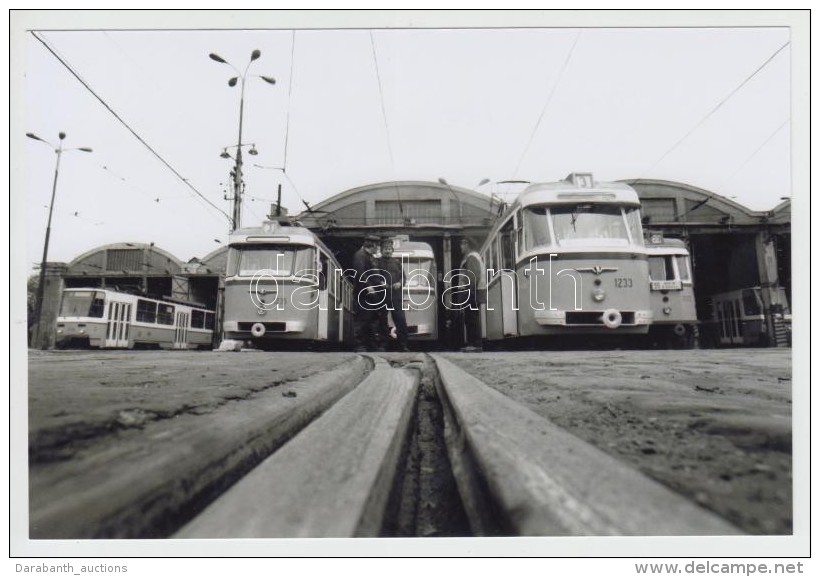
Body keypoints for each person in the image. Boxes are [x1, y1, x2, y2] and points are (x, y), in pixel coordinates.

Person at [376, 238, 410, 352]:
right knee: (382, 320)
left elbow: (403, 278)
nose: (387, 251)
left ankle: (403, 345)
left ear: (392, 250)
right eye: (385, 249)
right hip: (383, 296)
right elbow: (374, 277)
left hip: (396, 296)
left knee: (400, 320)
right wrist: (381, 283)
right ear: (381, 250)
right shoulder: (376, 263)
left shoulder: (397, 263)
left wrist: (400, 283)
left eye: (389, 249)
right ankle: (383, 345)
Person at [351, 234, 381, 352]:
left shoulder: (369, 256)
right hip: (363, 293)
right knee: (362, 320)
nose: (377, 249)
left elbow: (373, 274)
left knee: (371, 319)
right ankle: (360, 345)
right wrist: (368, 286)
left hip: (372, 295)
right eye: (376, 246)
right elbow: (360, 273)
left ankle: (370, 345)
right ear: (372, 245)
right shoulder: (360, 255)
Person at [459, 237, 484, 352]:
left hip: (471, 292)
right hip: (472, 292)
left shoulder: (472, 257)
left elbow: (473, 276)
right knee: (471, 318)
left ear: (467, 245)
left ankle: (475, 344)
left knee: (471, 318)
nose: (461, 247)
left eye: (462, 244)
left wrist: (469, 291)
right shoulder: (472, 257)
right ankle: (473, 343)